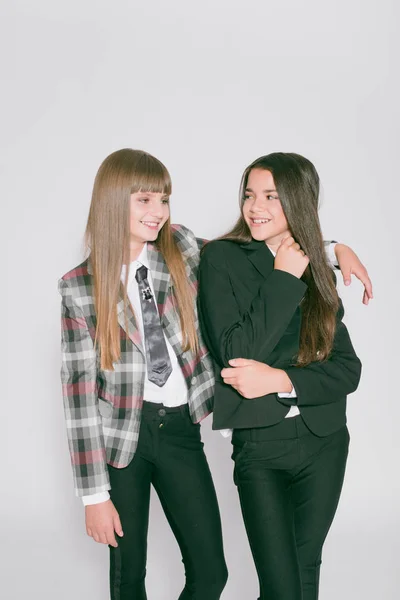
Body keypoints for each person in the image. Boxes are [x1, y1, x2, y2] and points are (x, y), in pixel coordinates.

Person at [59, 148, 369, 599]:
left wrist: (330, 249)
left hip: (181, 428)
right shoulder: (77, 287)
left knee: (210, 574)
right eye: (145, 200)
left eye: (164, 200)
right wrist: (93, 496)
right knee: (130, 576)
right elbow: (78, 399)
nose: (158, 213)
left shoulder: (179, 246)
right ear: (112, 201)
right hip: (120, 438)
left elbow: (253, 249)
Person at [198, 152, 363, 600]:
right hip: (261, 447)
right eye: (250, 194)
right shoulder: (221, 258)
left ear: (298, 200)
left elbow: (347, 368)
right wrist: (284, 278)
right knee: (281, 586)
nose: (255, 206)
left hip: (325, 441)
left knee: (306, 573)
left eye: (271, 195)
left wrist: (280, 381)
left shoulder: (315, 264)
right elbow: (235, 352)